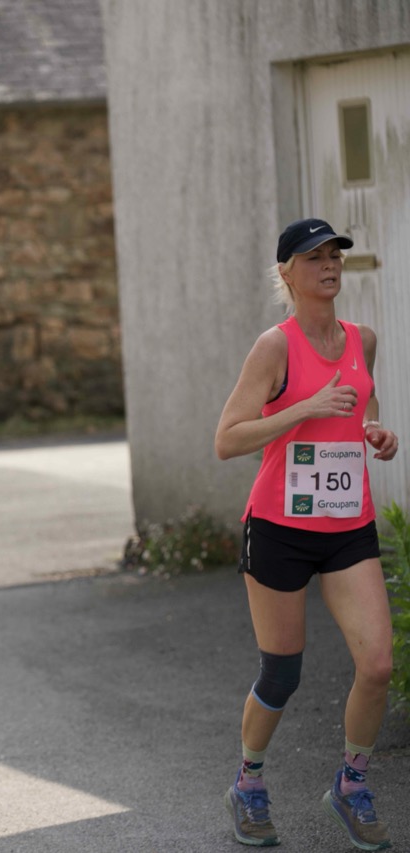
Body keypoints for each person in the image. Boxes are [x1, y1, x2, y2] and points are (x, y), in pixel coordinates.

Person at [215, 218, 399, 850]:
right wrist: (304, 409)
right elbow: (227, 439)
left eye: (334, 255)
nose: (329, 265)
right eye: (314, 257)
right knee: (282, 673)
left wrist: (375, 431)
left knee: (378, 664)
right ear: (287, 273)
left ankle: (351, 785)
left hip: (347, 526)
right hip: (278, 528)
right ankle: (249, 783)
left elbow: (364, 404)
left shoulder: (362, 339)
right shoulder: (275, 347)